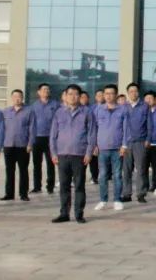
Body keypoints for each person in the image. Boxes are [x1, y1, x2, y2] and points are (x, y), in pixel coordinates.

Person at [49, 84, 96, 224]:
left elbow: (92, 134)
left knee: (79, 185)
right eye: (70, 94)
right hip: (62, 154)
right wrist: (53, 153)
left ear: (80, 96)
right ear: (65, 96)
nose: (73, 97)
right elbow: (53, 135)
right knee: (64, 185)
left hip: (79, 154)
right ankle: (64, 213)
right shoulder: (59, 113)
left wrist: (89, 153)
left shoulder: (87, 112)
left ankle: (79, 214)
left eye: (76, 94)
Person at [91, 83, 127, 211]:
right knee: (102, 175)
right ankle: (103, 200)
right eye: (106, 93)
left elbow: (126, 129)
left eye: (112, 93)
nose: (109, 96)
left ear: (116, 95)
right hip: (102, 148)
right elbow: (93, 128)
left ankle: (117, 200)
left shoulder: (123, 110)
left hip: (117, 148)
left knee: (117, 175)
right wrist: (94, 145)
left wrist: (124, 145)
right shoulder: (98, 109)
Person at [0, 89, 34, 201]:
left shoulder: (29, 111)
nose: (17, 99)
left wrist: (30, 144)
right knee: (9, 170)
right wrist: (1, 144)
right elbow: (1, 129)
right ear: (11, 98)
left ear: (22, 98)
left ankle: (23, 194)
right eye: (15, 96)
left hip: (23, 145)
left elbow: (32, 128)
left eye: (19, 96)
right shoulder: (6, 112)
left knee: (23, 170)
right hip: (8, 144)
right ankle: (9, 194)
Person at [121, 82, 151, 204]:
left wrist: (148, 139)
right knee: (126, 170)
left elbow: (149, 124)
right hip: (126, 143)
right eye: (131, 91)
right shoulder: (123, 107)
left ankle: (141, 194)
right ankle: (126, 194)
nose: (133, 93)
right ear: (128, 93)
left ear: (138, 93)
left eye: (135, 91)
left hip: (140, 141)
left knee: (141, 169)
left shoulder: (145, 106)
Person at [30, 83, 59, 195]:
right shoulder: (34, 106)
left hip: (50, 138)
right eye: (43, 89)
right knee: (36, 163)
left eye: (47, 89)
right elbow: (31, 123)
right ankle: (37, 186)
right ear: (39, 92)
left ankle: (50, 186)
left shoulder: (55, 104)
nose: (46, 91)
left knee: (51, 163)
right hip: (37, 137)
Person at [80, 91, 98, 185]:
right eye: (81, 97)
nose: (83, 99)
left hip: (91, 139)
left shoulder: (92, 109)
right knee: (81, 163)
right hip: (81, 141)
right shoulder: (77, 110)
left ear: (88, 99)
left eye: (85, 97)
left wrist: (95, 143)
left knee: (93, 161)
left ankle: (94, 177)